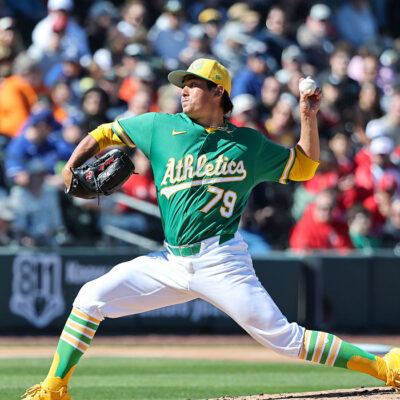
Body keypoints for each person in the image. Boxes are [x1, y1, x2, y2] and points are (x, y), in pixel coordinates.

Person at [22, 58, 400, 399]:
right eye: (181, 84)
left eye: (193, 83)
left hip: (221, 260)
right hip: (169, 261)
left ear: (218, 90)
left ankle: (386, 367)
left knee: (285, 339)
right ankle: (54, 389)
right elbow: (106, 132)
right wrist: (72, 164)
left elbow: (304, 166)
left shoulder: (246, 143)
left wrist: (307, 116)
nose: (183, 90)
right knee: (90, 298)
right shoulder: (159, 126)